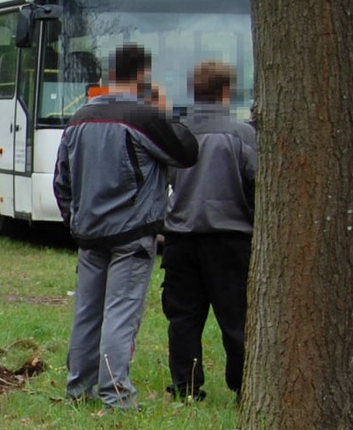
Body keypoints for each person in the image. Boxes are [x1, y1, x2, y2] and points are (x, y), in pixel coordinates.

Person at [53, 43, 199, 408]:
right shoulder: (143, 117)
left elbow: (62, 180)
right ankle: (115, 393)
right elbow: (186, 151)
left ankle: (78, 389)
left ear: (108, 74)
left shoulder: (79, 118)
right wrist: (165, 110)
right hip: (132, 234)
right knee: (120, 313)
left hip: (89, 232)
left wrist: (75, 219)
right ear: (144, 75)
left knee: (87, 312)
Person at [161, 60, 257, 402]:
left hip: (181, 237)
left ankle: (186, 386)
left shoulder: (178, 132)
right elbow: (254, 181)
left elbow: (167, 181)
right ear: (226, 91)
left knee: (183, 317)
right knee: (236, 317)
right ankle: (243, 386)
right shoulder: (242, 134)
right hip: (230, 237)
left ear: (193, 90)